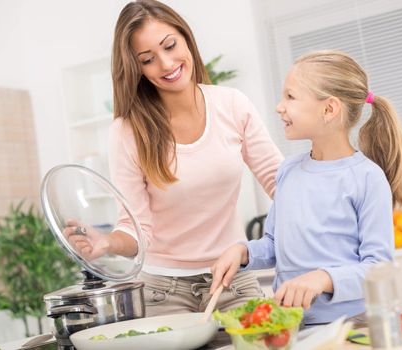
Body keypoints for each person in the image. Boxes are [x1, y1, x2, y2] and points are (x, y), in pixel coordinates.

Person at [64, 0, 283, 317]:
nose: (166, 64)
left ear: (186, 38)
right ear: (136, 68)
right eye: (148, 59)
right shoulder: (127, 131)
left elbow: (281, 184)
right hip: (162, 292)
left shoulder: (232, 105)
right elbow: (136, 229)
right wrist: (107, 242)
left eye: (170, 46)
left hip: (233, 278)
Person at [210, 50, 402, 327]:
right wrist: (242, 251)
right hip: (292, 325)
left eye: (291, 97)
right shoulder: (288, 171)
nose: (279, 106)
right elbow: (274, 245)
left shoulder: (367, 178)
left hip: (352, 325)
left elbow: (379, 268)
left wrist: (324, 278)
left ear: (329, 109)